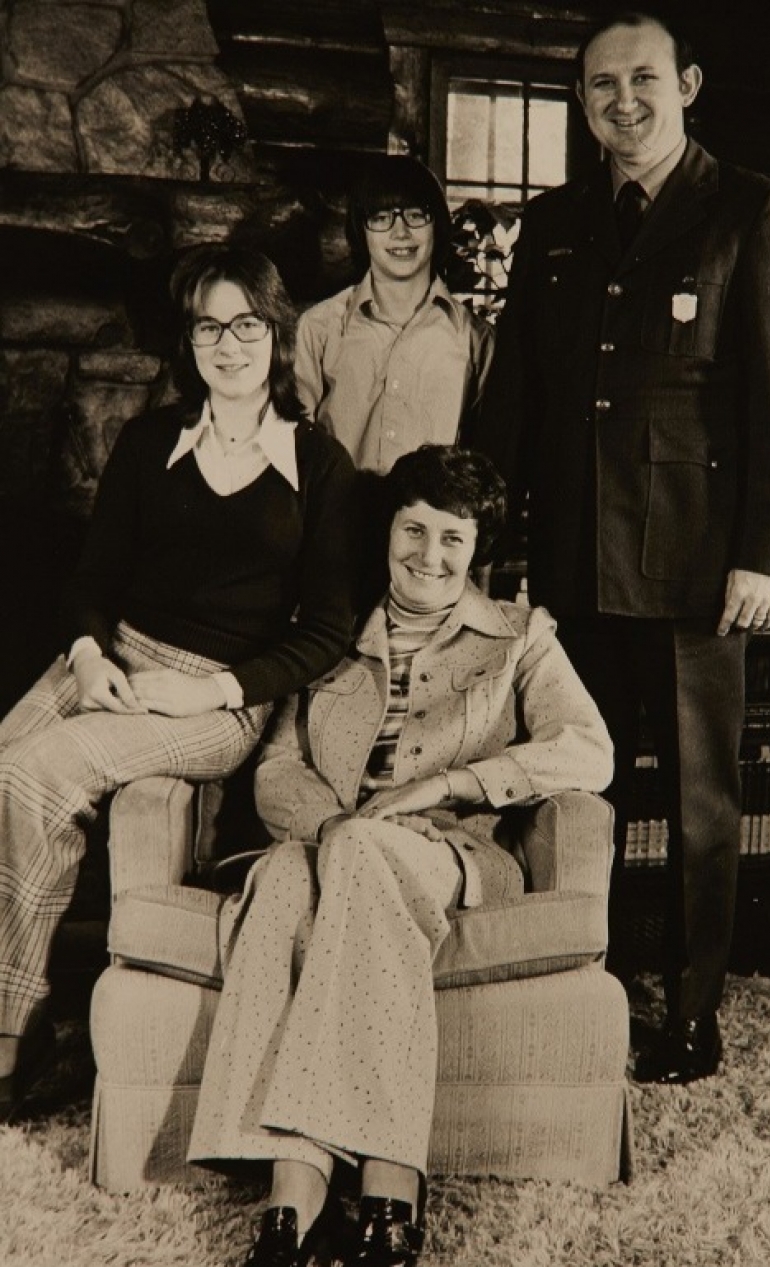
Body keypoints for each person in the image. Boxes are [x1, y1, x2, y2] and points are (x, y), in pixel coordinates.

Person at [473, 10, 770, 1083]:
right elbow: (517, 397)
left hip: (695, 568)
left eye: (642, 81)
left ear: (689, 85)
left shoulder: (753, 213)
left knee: (700, 799)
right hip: (575, 560)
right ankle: (588, 974)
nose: (622, 102)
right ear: (581, 101)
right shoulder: (558, 222)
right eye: (599, 86)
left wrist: (767, 555)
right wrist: (481, 532)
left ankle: (695, 1007)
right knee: (581, 783)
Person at [187, 445, 613, 1267]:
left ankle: (322, 1196)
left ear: (476, 547)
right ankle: (349, 1209)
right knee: (280, 874)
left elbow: (589, 750)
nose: (429, 555)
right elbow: (278, 766)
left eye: (452, 538)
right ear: (386, 533)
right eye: (414, 530)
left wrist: (449, 784)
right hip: (334, 843)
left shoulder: (521, 637)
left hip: (449, 852)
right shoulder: (329, 633)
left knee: (354, 859)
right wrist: (334, 827)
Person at [0, 245, 357, 1122]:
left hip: (216, 696)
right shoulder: (149, 438)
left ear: (276, 337)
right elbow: (90, 578)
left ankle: (17, 1027)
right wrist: (88, 655)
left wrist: (220, 691)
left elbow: (327, 631)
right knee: (6, 755)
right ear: (189, 340)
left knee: (30, 776)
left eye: (245, 325)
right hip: (113, 654)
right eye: (208, 326)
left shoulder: (321, 465)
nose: (226, 345)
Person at [293, 154, 494, 474]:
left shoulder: (475, 339)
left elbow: (484, 459)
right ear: (361, 230)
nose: (400, 232)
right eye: (381, 217)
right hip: (339, 520)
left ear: (437, 225)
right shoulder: (319, 328)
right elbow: (296, 447)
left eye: (416, 215)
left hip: (433, 520)